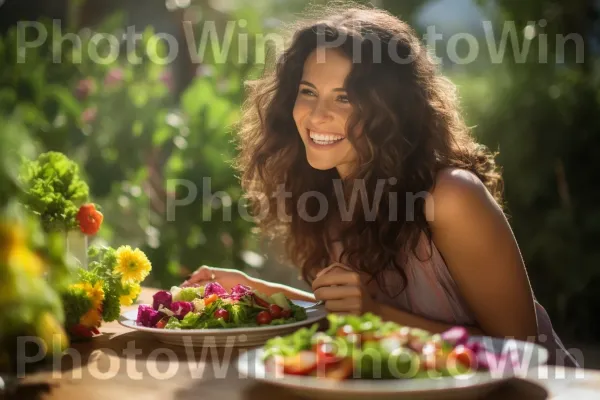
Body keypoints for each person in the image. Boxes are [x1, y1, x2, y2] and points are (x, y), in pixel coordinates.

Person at [182, 5, 579, 367]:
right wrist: (259, 291)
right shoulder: (331, 195)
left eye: (345, 98)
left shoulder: (452, 197)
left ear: (391, 110)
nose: (318, 115)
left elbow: (524, 353)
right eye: (308, 92)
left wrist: (377, 315)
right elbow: (346, 312)